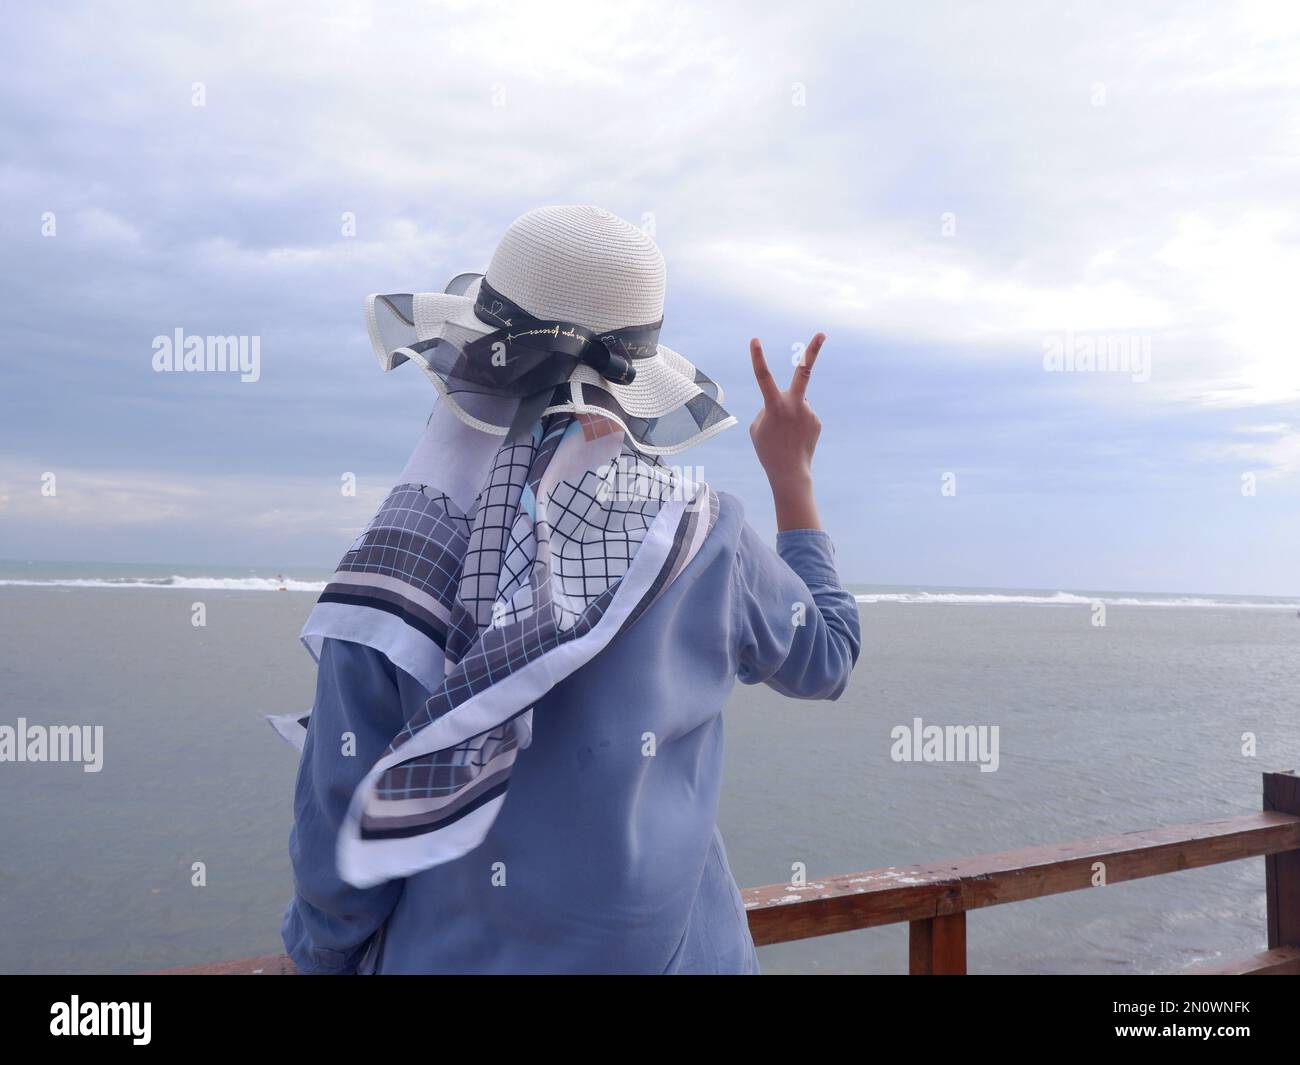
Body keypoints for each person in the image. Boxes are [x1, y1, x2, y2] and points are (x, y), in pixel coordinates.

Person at [276, 206, 861, 974]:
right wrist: (791, 475)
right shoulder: (707, 538)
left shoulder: (406, 558)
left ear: (470, 361)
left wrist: (315, 956)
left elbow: (342, 852)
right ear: (637, 393)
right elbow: (829, 656)